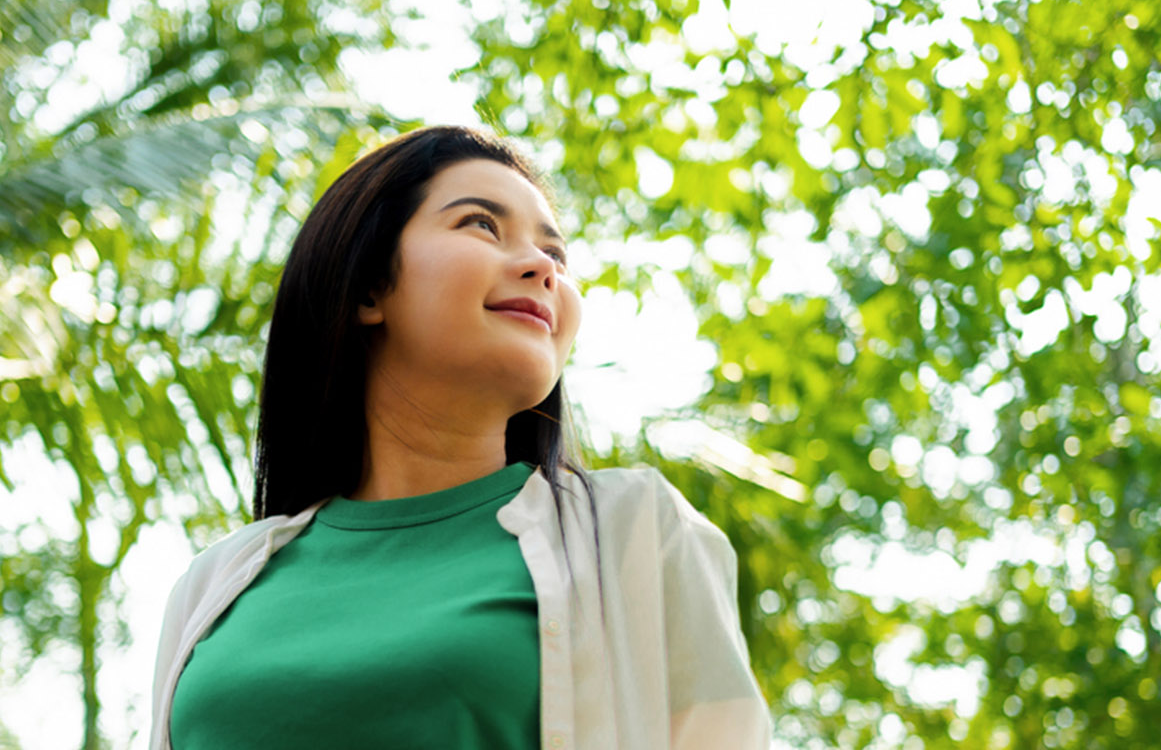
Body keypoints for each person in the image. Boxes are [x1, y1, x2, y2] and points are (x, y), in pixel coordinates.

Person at [147, 125, 772, 749]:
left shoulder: (635, 534)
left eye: (556, 256)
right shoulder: (216, 584)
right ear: (369, 287)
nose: (541, 269)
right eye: (481, 225)